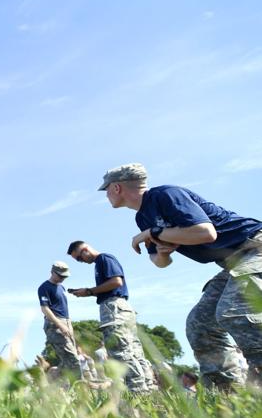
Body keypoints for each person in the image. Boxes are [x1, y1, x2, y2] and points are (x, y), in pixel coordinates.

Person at [100, 162, 262, 388]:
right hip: (232, 263)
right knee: (200, 324)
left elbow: (206, 233)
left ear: (116, 188)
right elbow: (159, 261)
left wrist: (153, 233)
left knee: (235, 312)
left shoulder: (165, 195)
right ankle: (228, 394)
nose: (106, 194)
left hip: (254, 247)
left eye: (106, 189)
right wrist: (164, 251)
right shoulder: (142, 218)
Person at [67, 240, 156, 393]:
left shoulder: (104, 259)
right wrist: (87, 292)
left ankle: (138, 392)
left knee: (121, 352)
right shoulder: (100, 262)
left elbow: (116, 281)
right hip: (120, 307)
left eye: (80, 258)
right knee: (134, 351)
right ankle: (148, 388)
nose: (81, 261)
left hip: (114, 308)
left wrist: (89, 291)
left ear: (85, 249)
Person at [37, 261, 79, 376]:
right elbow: (45, 309)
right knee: (73, 360)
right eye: (60, 275)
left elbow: (65, 310)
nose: (62, 278)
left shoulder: (62, 288)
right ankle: (80, 389)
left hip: (66, 322)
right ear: (52, 272)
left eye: (64, 276)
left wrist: (69, 326)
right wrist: (60, 325)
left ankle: (53, 381)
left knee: (71, 359)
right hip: (54, 324)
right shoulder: (44, 287)